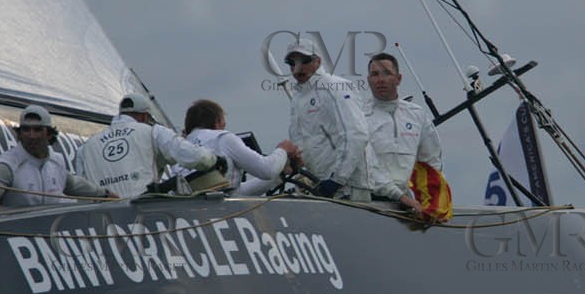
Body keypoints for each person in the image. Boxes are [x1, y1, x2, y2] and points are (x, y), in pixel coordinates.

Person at [78, 92, 219, 199]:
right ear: (144, 116)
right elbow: (194, 156)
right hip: (142, 214)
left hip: (103, 219)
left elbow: (81, 192)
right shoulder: (153, 132)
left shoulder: (86, 147)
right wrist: (214, 160)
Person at [282, 38, 371, 200]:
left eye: (304, 61)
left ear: (318, 61)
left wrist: (336, 180)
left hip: (347, 189)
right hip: (317, 187)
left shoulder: (335, 87)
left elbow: (356, 135)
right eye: (292, 63)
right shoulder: (298, 98)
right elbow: (302, 142)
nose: (298, 67)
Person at [0, 105, 111, 208]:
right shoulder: (5, 166)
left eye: (37, 130)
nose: (31, 136)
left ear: (49, 134)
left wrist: (105, 194)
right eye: (26, 130)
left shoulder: (56, 161)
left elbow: (73, 184)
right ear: (19, 134)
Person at [362, 52, 443, 214]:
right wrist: (399, 196)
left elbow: (431, 162)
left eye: (387, 73)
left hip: (407, 206)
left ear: (398, 79)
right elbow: (365, 167)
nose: (381, 79)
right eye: (375, 74)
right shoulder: (359, 116)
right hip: (368, 204)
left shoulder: (417, 115)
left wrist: (432, 201)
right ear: (369, 80)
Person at [177, 99, 300, 195]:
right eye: (223, 125)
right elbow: (267, 170)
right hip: (219, 213)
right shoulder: (223, 138)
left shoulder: (178, 148)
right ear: (217, 122)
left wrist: (281, 174)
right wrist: (283, 150)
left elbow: (231, 195)